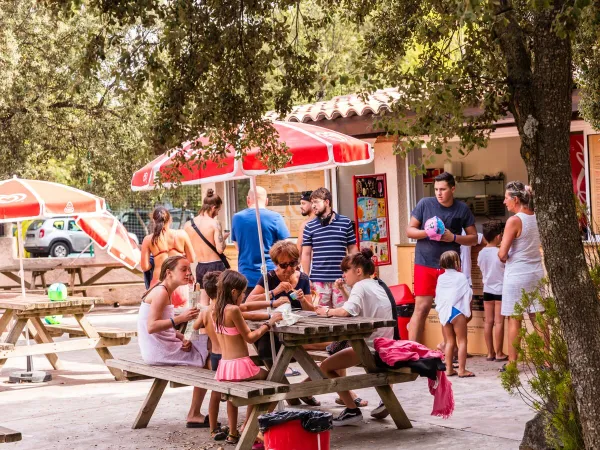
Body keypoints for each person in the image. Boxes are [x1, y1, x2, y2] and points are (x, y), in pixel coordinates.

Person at [195, 271, 289, 442]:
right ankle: (251, 425)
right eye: (243, 292)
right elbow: (250, 337)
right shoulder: (233, 310)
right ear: (234, 292)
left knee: (233, 397)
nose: (244, 295)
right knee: (276, 380)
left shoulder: (215, 310)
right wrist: (269, 323)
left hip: (225, 368)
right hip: (241, 367)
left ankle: (233, 433)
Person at [312, 249, 395, 426]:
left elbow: (346, 311)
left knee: (326, 366)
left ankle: (351, 410)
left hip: (370, 348)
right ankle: (355, 403)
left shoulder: (361, 286)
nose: (343, 275)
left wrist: (325, 311)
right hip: (385, 344)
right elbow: (356, 309)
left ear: (358, 271)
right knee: (334, 356)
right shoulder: (377, 284)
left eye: (345, 270)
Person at [137, 255, 210, 427]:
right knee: (209, 356)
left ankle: (197, 411)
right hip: (157, 352)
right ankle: (195, 413)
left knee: (203, 346)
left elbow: (165, 328)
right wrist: (181, 318)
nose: (188, 274)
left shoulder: (164, 290)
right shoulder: (161, 292)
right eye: (183, 270)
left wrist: (181, 337)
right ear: (169, 272)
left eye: (188, 270)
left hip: (160, 347)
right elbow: (152, 327)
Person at [406, 172, 477, 344]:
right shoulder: (425, 203)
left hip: (450, 266)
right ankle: (413, 351)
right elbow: (409, 231)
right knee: (421, 308)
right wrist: (427, 233)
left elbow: (473, 238)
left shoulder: (462, 209)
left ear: (453, 189)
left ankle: (447, 350)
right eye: (436, 189)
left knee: (454, 310)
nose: (439, 193)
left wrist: (453, 238)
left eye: (443, 189)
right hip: (425, 263)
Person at [498, 181, 545, 368]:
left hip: (517, 274)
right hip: (535, 271)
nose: (504, 201)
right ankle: (546, 360)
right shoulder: (536, 217)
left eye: (506, 197)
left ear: (516, 199)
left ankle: (512, 363)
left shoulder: (514, 221)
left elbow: (502, 254)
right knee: (538, 317)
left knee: (514, 318)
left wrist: (501, 253)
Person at [301, 187, 358, 308]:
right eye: (312, 202)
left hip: (341, 279)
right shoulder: (309, 226)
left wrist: (354, 271)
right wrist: (306, 277)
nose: (313, 206)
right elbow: (305, 254)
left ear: (327, 202)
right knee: (321, 316)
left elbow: (352, 249)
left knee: (343, 314)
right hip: (319, 280)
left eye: (316, 202)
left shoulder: (345, 222)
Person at [231, 186, 290, 296]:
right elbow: (286, 248)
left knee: (250, 310)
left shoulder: (237, 218)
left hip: (246, 276)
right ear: (266, 201)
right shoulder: (275, 217)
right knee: (273, 310)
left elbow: (238, 247)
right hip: (272, 274)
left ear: (248, 199)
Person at [141, 207, 196, 307]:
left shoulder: (149, 239)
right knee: (181, 318)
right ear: (170, 219)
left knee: (160, 318)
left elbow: (145, 267)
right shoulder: (182, 234)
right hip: (179, 284)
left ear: (154, 221)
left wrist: (155, 261)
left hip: (159, 284)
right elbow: (192, 258)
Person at [184, 189, 229, 306]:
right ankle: (218, 324)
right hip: (216, 265)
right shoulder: (214, 223)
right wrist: (223, 238)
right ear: (213, 207)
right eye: (218, 210)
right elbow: (220, 249)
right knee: (219, 301)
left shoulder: (188, 225)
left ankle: (205, 323)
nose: (217, 213)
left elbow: (187, 249)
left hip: (200, 266)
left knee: (203, 302)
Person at [435, 251, 474, 378]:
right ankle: (462, 370)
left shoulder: (441, 278)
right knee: (462, 341)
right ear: (457, 263)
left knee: (449, 342)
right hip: (457, 311)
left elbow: (439, 295)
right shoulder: (461, 277)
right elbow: (467, 293)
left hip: (445, 312)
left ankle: (449, 369)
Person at [477, 221, 507, 362]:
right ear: (498, 237)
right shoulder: (500, 253)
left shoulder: (481, 253)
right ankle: (500, 352)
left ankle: (490, 352)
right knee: (499, 322)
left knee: (488, 322)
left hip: (487, 290)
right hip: (500, 290)